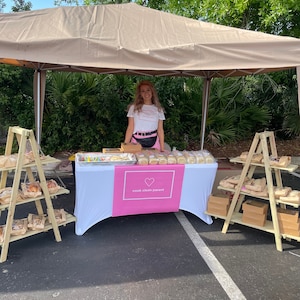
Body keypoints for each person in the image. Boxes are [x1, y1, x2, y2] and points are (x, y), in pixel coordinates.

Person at [124, 80, 165, 151]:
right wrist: (125, 146)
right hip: (136, 142)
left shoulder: (159, 109)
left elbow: (160, 130)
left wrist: (162, 148)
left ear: (152, 92)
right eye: (143, 91)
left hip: (154, 142)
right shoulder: (133, 108)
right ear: (140, 94)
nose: (146, 93)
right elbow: (130, 128)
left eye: (148, 90)